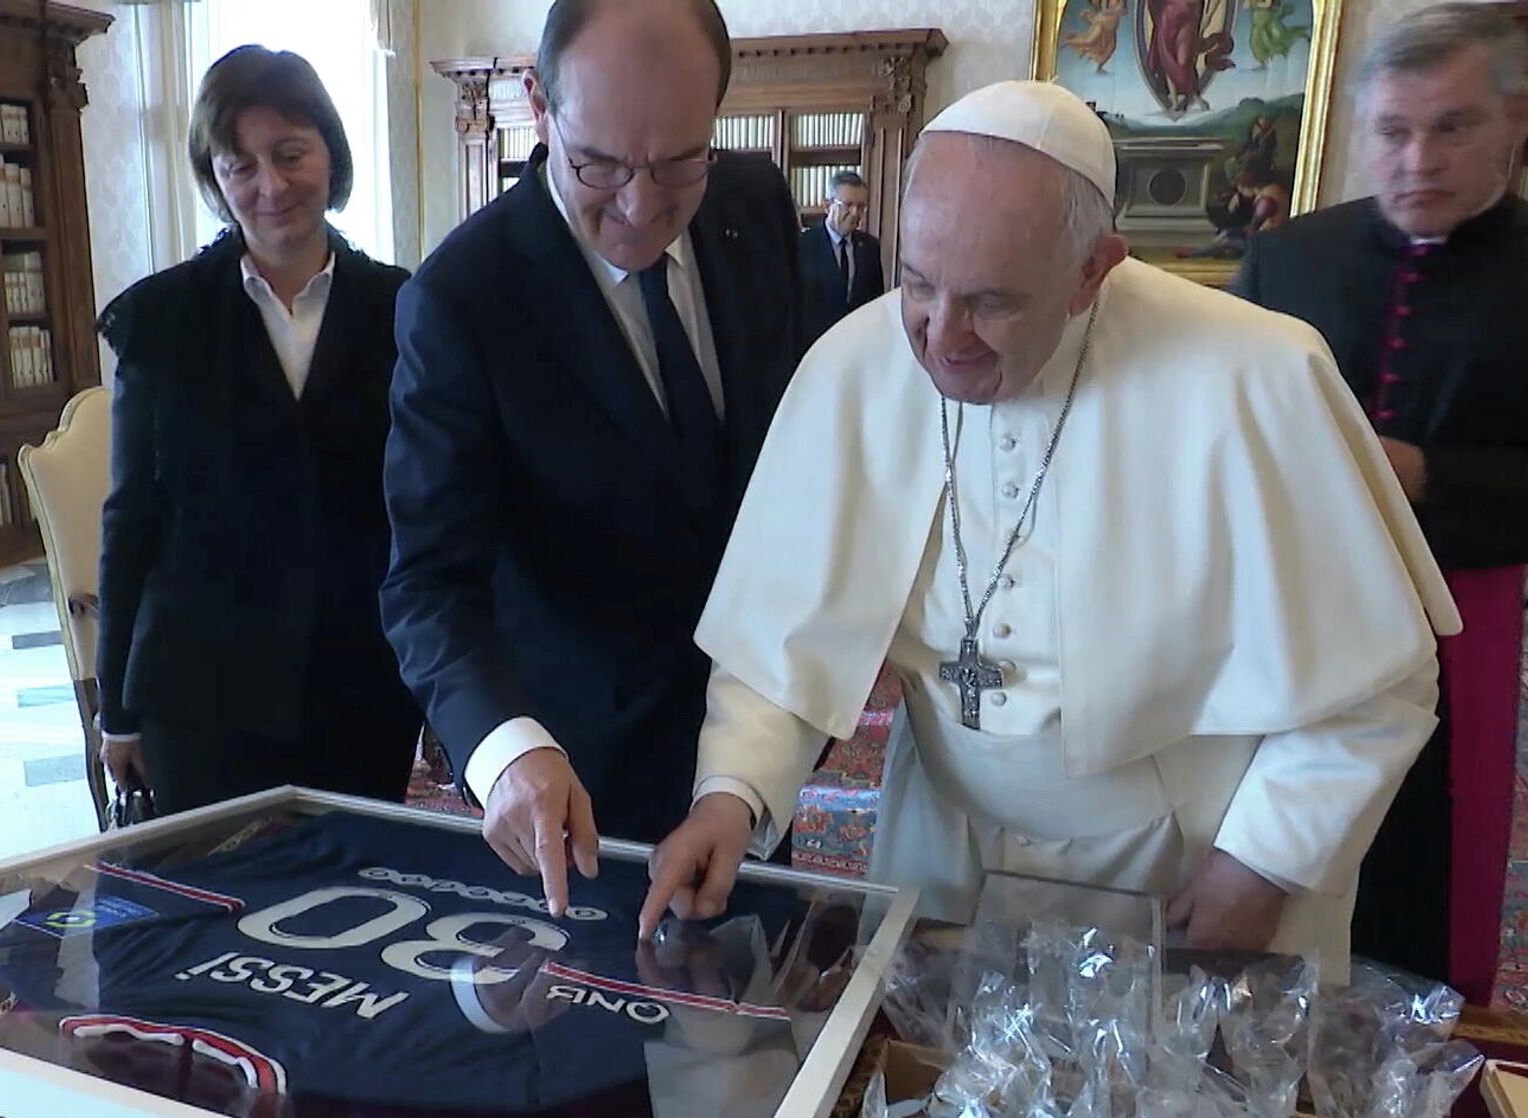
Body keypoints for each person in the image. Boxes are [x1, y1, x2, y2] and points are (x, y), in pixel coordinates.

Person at [641, 80, 1461, 978]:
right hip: (937, 853)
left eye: (991, 303)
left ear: (1091, 270)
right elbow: (779, 641)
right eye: (917, 282)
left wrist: (1268, 857)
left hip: (1175, 866)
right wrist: (734, 794)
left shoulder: (1256, 377)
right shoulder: (856, 367)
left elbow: (1379, 682)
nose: (940, 338)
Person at [381, 0, 804, 916]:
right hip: (574, 794)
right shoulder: (463, 299)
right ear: (539, 103)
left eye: (678, 162)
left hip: (757, 757)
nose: (641, 206)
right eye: (599, 164)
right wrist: (505, 748)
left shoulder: (755, 207)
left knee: (760, 1037)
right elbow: (426, 585)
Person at [1231, 3, 1528, 1001]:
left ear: (1514, 122)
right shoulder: (1287, 260)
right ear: (1361, 134)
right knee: (1261, 833)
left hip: (1456, 614)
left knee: (1422, 869)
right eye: (1394, 131)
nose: (1418, 157)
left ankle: (1409, 1071)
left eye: (1453, 126)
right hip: (1286, 608)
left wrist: (1427, 475)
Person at [94, 46, 421, 815]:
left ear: (330, 156)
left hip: (360, 679)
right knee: (213, 907)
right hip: (199, 691)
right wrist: (117, 708)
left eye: (289, 154)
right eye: (238, 165)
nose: (270, 187)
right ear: (215, 179)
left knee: (357, 902)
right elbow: (131, 520)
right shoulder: (160, 321)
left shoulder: (404, 311)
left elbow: (427, 505)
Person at [800, 170, 886, 344]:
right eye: (847, 205)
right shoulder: (803, 246)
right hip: (815, 345)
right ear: (827, 205)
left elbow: (876, 302)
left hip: (858, 345)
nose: (855, 213)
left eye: (861, 207)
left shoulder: (870, 247)